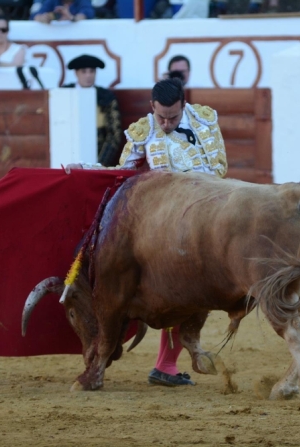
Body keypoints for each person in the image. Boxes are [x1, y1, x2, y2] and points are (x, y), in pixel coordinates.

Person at [66, 78, 228, 386]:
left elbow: (218, 171)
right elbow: (121, 173)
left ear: (184, 105)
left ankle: (165, 365)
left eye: (174, 118)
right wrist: (85, 169)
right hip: (159, 224)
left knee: (196, 290)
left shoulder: (205, 120)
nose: (166, 124)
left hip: (199, 215)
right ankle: (159, 364)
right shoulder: (143, 131)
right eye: (161, 117)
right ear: (151, 107)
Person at [63, 54, 123, 166]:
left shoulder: (106, 97)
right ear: (76, 73)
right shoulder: (64, 94)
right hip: (67, 151)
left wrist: (99, 164)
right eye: (84, 71)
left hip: (97, 152)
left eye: (92, 71)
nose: (88, 75)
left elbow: (114, 135)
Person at [30, 0, 95, 22]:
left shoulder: (83, 1)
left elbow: (87, 13)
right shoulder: (53, 1)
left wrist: (71, 17)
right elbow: (35, 15)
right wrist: (43, 18)